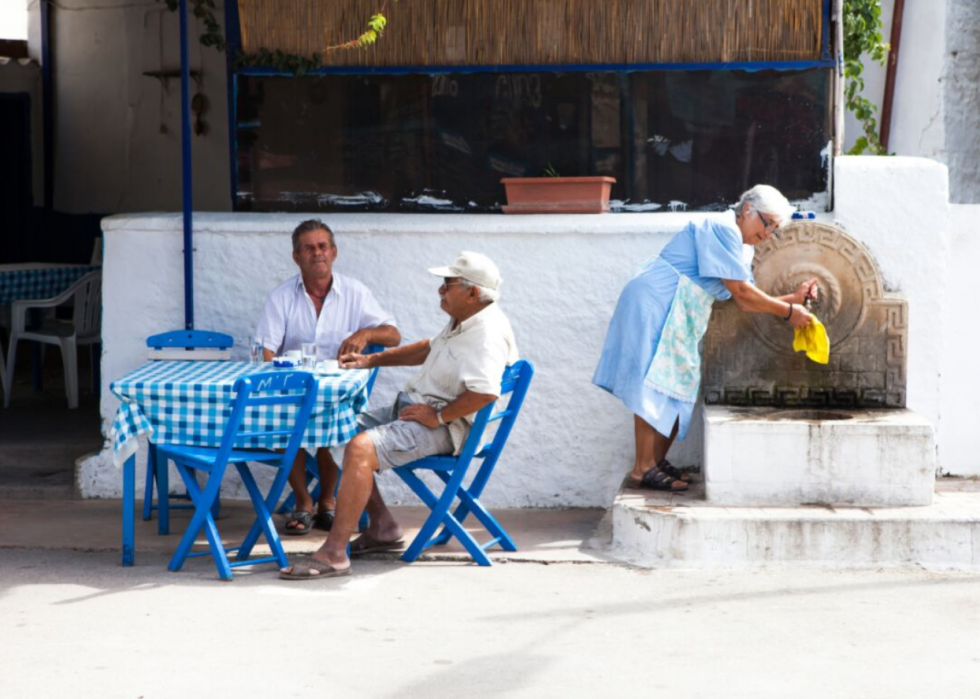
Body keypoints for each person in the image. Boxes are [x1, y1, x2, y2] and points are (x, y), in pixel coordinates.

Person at [279, 251, 518, 579]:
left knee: (361, 447)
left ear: (473, 293)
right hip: (418, 409)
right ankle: (383, 527)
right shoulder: (466, 320)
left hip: (445, 428)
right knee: (338, 428)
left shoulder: (486, 333)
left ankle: (334, 553)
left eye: (447, 285)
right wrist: (371, 361)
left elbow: (486, 391)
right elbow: (427, 348)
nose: (441, 291)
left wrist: (440, 416)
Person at [592, 185, 819, 491]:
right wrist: (789, 311)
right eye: (768, 225)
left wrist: (792, 299)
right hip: (657, 300)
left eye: (775, 230)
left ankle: (655, 462)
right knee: (652, 380)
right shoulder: (721, 228)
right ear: (748, 210)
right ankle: (642, 467)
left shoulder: (742, 246)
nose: (768, 235)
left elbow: (745, 298)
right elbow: (742, 295)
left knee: (675, 382)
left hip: (680, 309)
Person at [256, 219, 401, 533]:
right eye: (309, 248)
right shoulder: (281, 297)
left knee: (335, 419)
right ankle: (303, 501)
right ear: (297, 257)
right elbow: (266, 350)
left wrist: (366, 332)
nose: (317, 253)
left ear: (334, 252)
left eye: (322, 246)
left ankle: (328, 502)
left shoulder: (355, 292)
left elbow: (393, 335)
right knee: (281, 420)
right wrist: (278, 376)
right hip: (293, 392)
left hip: (338, 392)